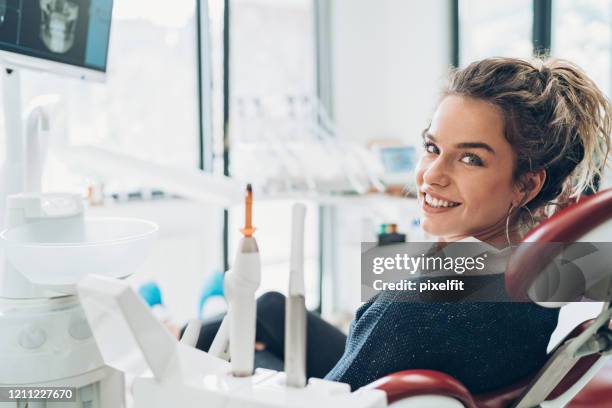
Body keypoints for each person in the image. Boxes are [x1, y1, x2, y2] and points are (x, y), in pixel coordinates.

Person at [190, 57, 612, 393]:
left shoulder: (412, 306)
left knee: (240, 355)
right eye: (432, 147)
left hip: (361, 394)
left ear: (527, 183)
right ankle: (176, 333)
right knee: (271, 307)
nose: (432, 175)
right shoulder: (550, 267)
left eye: (471, 158)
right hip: (421, 362)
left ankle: (176, 346)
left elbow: (338, 392)